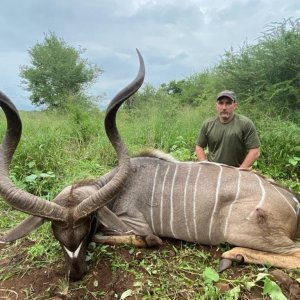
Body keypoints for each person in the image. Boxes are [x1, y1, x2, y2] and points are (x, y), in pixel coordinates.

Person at [195, 90, 260, 168]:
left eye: (228, 103)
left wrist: (240, 171)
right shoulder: (208, 124)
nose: (224, 107)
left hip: (237, 170)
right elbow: (199, 146)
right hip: (214, 170)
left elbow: (255, 151)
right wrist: (205, 164)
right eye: (221, 103)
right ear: (216, 106)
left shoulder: (245, 123)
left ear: (235, 105)